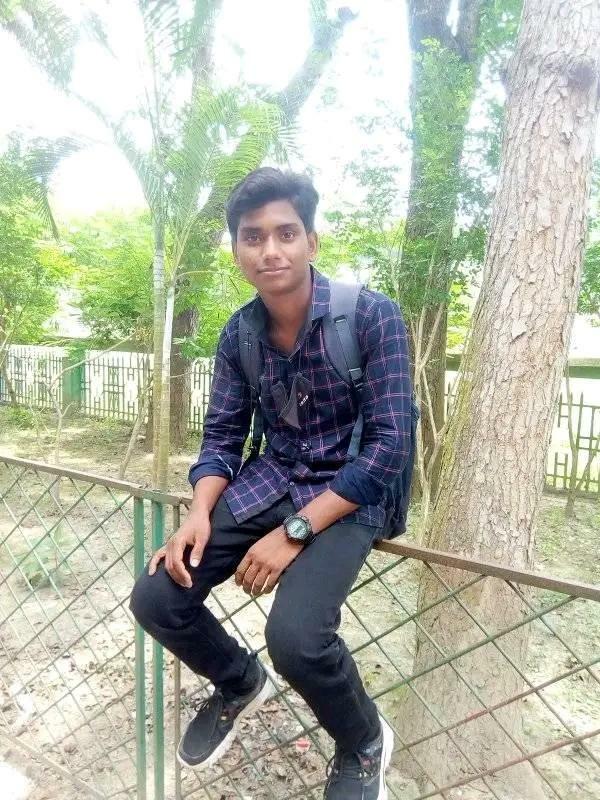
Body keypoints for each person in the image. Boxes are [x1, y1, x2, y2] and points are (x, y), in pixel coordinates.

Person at [130, 167, 413, 799]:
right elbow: (222, 436)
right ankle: (238, 681)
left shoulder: (372, 317)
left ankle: (364, 741)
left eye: (286, 233)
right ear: (237, 250)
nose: (270, 249)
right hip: (272, 477)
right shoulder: (240, 334)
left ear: (312, 240)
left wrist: (295, 532)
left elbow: (390, 447)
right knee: (157, 596)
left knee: (297, 640)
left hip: (351, 490)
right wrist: (198, 513)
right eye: (253, 236)